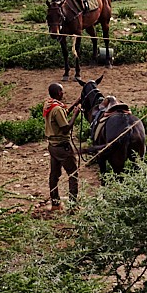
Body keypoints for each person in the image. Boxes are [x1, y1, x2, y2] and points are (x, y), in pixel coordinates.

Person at [42, 81, 80, 211]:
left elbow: (62, 116)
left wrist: (75, 103)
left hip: (53, 146)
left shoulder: (49, 105)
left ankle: (55, 203)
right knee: (73, 174)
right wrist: (76, 114)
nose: (63, 93)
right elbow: (65, 128)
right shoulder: (57, 109)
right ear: (59, 93)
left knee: (54, 174)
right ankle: (73, 206)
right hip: (62, 147)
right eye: (62, 91)